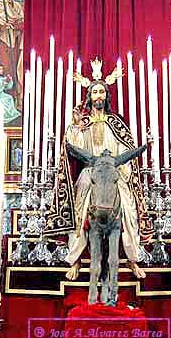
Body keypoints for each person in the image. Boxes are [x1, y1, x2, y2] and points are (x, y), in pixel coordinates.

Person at [62, 79, 148, 281]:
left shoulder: (116, 123)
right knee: (80, 209)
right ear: (89, 97)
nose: (98, 96)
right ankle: (75, 260)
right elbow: (73, 148)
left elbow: (125, 150)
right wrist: (74, 126)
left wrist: (120, 169)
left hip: (113, 171)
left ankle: (132, 259)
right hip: (90, 171)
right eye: (95, 92)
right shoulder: (83, 123)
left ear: (106, 96)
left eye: (102, 92)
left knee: (128, 207)